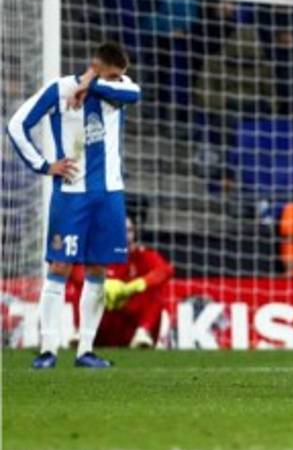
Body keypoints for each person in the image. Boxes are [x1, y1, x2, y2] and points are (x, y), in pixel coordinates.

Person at [7, 41, 141, 369]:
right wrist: (43, 165)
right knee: (59, 267)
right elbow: (17, 126)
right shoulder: (58, 90)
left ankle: (85, 350)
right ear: (98, 66)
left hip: (109, 195)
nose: (116, 83)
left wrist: (90, 83)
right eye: (111, 76)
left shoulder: (118, 86)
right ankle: (49, 349)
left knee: (97, 269)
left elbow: (133, 93)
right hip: (71, 194)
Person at [68, 216, 173, 348]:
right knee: (82, 289)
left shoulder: (143, 255)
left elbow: (165, 271)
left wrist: (135, 286)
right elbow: (75, 273)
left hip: (131, 327)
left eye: (129, 231)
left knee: (155, 288)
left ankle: (143, 332)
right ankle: (81, 331)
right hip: (100, 324)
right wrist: (101, 286)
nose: (125, 236)